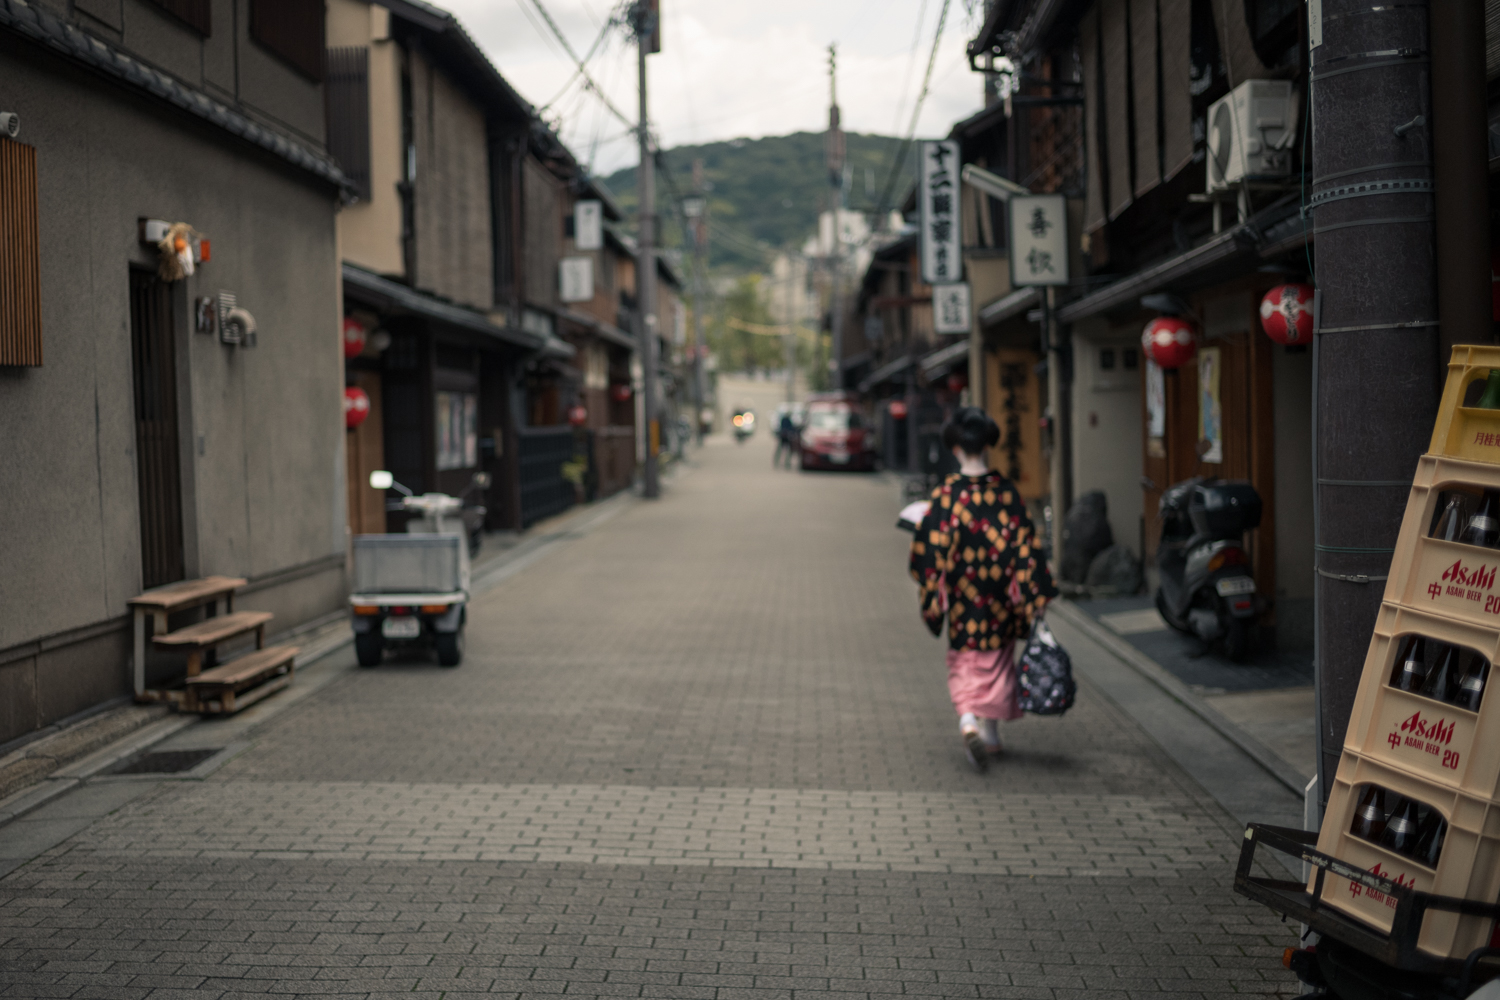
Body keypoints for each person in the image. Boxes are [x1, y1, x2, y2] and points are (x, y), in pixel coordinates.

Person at [908, 406, 1057, 772]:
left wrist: (933, 583)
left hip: (963, 599)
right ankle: (990, 736)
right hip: (1000, 599)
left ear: (956, 448)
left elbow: (930, 550)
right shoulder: (1005, 493)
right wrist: (1034, 593)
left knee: (964, 660)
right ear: (987, 446)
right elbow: (1025, 545)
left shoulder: (946, 495)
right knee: (998, 661)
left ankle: (967, 720)